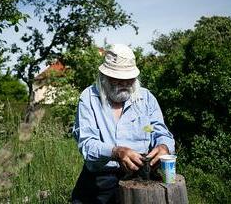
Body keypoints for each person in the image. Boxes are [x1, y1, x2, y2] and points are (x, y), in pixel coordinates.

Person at [71, 44, 175, 204]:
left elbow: (160, 133)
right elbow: (87, 144)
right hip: (100, 183)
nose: (125, 83)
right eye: (117, 79)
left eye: (129, 79)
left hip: (141, 181)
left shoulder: (146, 99)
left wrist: (164, 147)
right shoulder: (89, 98)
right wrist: (116, 152)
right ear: (104, 76)